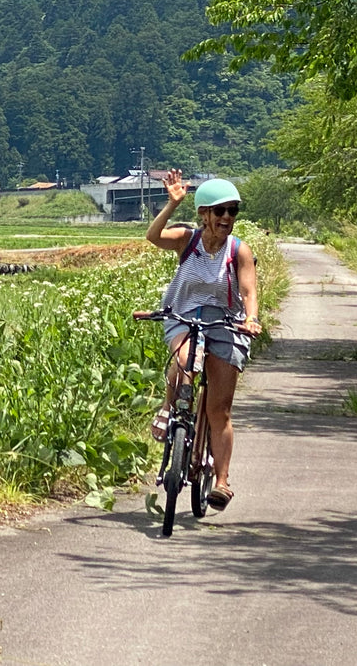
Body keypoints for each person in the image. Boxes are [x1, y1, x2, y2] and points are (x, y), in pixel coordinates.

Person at [141, 170, 262, 511]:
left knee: (219, 409)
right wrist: (171, 203)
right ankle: (168, 408)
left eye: (232, 211)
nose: (226, 218)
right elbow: (153, 236)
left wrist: (251, 318)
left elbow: (249, 290)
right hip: (185, 316)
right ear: (204, 214)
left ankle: (222, 481)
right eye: (219, 211)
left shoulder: (238, 250)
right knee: (182, 363)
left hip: (227, 323)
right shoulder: (186, 239)